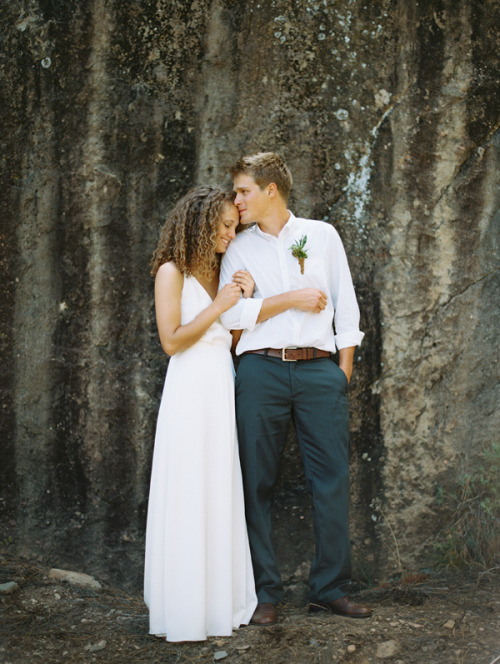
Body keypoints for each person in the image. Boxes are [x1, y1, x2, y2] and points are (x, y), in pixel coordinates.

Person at [219, 152, 372, 625]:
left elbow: (345, 305)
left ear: (271, 190)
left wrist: (340, 371)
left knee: (331, 481)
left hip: (318, 372)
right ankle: (264, 594)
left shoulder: (321, 235)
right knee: (254, 481)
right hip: (259, 372)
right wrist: (284, 301)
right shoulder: (237, 248)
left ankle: (329, 588)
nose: (236, 200)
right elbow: (230, 317)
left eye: (244, 191)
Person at [144, 185, 257, 642]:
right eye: (225, 225)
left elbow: (223, 340)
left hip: (218, 386)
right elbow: (171, 341)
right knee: (190, 487)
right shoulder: (171, 271)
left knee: (217, 487)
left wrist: (244, 298)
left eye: (235, 226)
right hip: (189, 391)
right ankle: (186, 609)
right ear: (201, 221)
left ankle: (218, 606)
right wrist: (221, 305)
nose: (232, 234)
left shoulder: (217, 271)